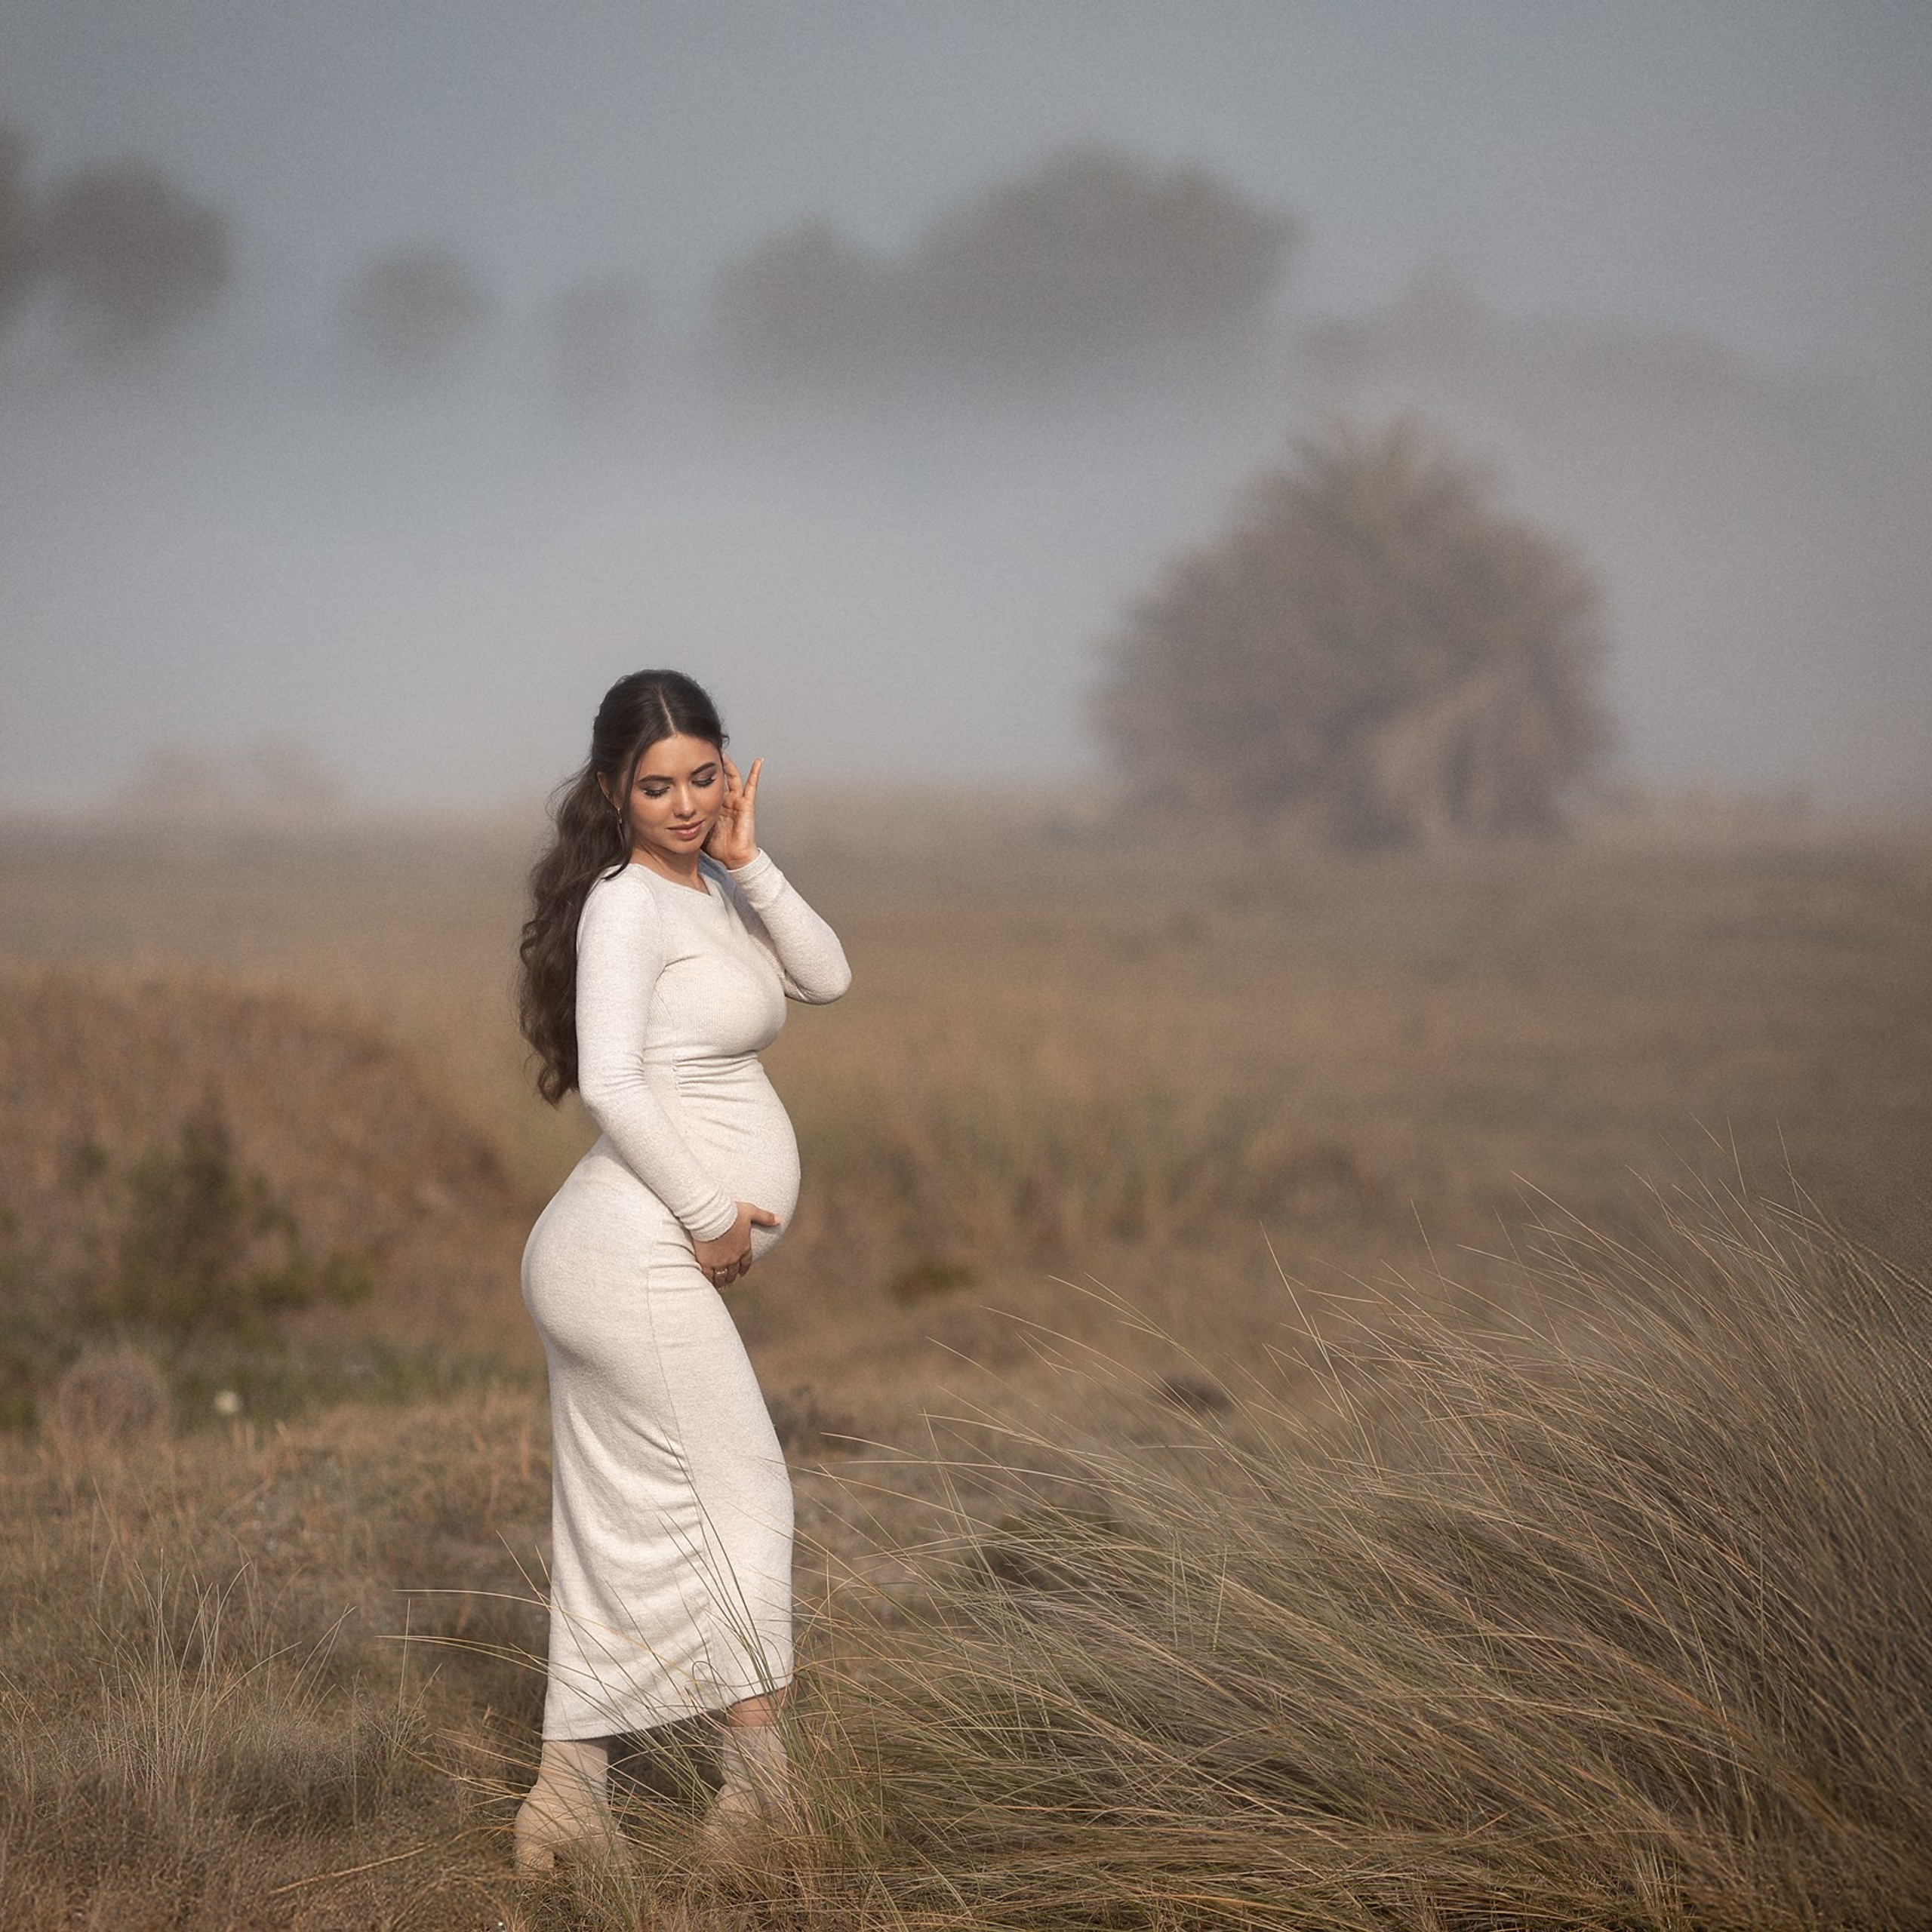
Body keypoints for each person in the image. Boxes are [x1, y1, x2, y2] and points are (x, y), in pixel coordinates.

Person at [510, 669, 851, 1870]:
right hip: (628, 1248)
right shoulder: (627, 904)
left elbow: (827, 975)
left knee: (620, 1517)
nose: (686, 803)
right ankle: (757, 1805)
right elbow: (611, 1081)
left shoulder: (706, 885)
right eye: (657, 786)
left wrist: (752, 862)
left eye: (704, 776)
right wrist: (712, 1217)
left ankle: (567, 1803)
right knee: (748, 1490)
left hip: (620, 1247)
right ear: (614, 791)